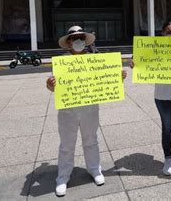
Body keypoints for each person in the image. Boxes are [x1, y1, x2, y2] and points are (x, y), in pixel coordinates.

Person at [46, 25, 127, 197]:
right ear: (68, 43)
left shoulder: (95, 59)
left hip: (90, 108)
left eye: (81, 38)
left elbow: (107, 79)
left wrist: (118, 77)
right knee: (67, 144)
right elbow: (55, 88)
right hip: (68, 109)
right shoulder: (61, 63)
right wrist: (50, 85)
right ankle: (63, 176)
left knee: (91, 139)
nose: (78, 41)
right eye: (74, 39)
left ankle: (94, 169)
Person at [130, 21, 171, 176]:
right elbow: (141, 61)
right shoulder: (154, 49)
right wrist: (135, 63)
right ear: (162, 33)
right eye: (168, 32)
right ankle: (168, 159)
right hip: (162, 96)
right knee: (166, 128)